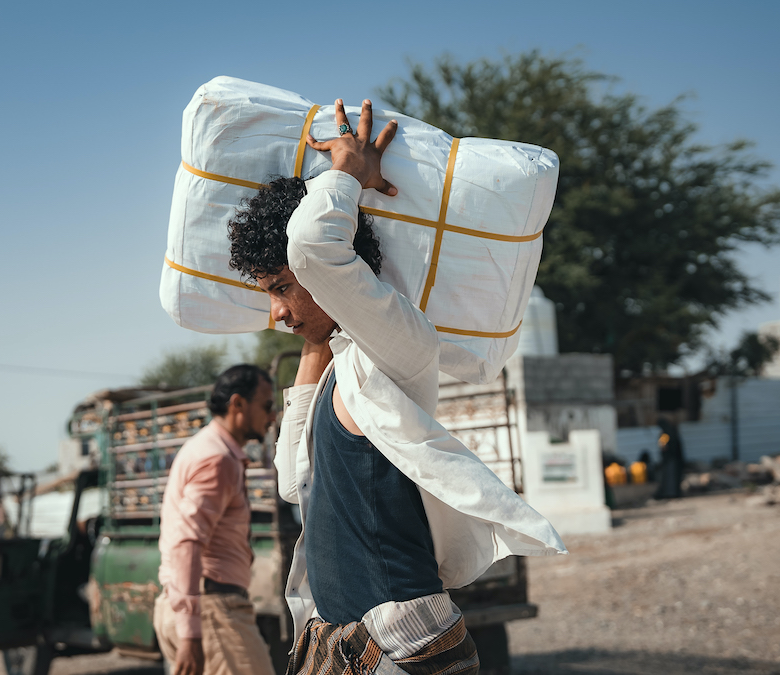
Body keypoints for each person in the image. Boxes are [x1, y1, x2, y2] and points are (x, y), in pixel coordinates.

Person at [226, 99, 565, 675]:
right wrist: (312, 334)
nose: (277, 312)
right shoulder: (337, 366)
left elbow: (312, 244)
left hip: (405, 648)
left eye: (283, 287)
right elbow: (291, 480)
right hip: (346, 645)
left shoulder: (398, 347)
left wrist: (347, 178)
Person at [153, 364, 278, 675]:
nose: (272, 416)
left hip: (194, 607)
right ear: (238, 404)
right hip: (213, 611)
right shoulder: (216, 458)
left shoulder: (207, 448)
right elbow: (187, 542)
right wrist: (191, 631)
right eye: (266, 405)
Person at [653, 416, 686, 499]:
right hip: (676, 459)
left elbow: (663, 446)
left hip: (669, 460)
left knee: (669, 477)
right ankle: (674, 493)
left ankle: (670, 493)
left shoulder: (665, 434)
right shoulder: (673, 431)